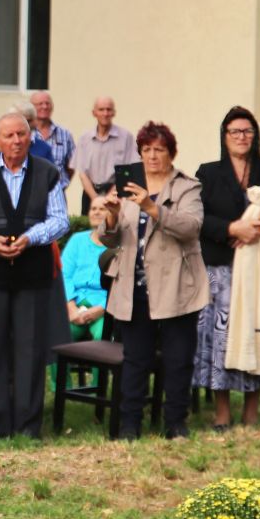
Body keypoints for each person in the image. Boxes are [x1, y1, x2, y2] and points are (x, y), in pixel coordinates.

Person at [0, 110, 70, 439]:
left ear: (31, 137)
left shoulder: (48, 172)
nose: (17, 140)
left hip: (33, 274)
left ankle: (27, 424)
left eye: (22, 134)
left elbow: (60, 219)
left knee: (30, 348)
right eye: (9, 135)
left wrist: (31, 238)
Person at [95, 122, 206, 440]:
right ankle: (130, 424)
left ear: (172, 153)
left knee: (178, 359)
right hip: (134, 285)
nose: (153, 155)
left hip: (176, 287)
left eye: (160, 149)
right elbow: (109, 239)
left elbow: (190, 228)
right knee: (135, 359)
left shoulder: (187, 186)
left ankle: (175, 423)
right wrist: (113, 214)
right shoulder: (127, 183)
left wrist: (150, 207)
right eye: (147, 150)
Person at [193, 107, 260, 429]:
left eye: (247, 131)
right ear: (224, 136)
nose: (241, 137)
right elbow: (198, 217)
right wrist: (232, 229)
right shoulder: (208, 172)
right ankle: (222, 410)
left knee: (258, 331)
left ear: (255, 135)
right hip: (222, 267)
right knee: (221, 336)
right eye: (234, 131)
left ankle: (252, 410)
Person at [75, 96, 137, 216]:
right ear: (94, 113)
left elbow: (127, 171)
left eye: (109, 110)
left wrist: (110, 196)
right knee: (89, 231)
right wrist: (95, 198)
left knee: (116, 230)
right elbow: (82, 173)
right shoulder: (85, 139)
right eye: (101, 109)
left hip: (117, 193)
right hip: (90, 194)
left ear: (114, 112)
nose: (105, 113)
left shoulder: (125, 137)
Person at [60, 207, 109, 341]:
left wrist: (103, 308)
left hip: (103, 305)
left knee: (104, 336)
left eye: (102, 209)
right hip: (75, 300)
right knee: (57, 334)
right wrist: (70, 307)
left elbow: (123, 286)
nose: (96, 212)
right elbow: (64, 275)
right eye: (93, 208)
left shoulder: (121, 244)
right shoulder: (77, 240)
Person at [30, 90, 75, 180]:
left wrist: (62, 185)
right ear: (31, 107)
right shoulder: (26, 133)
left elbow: (71, 166)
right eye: (40, 104)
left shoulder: (65, 134)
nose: (45, 106)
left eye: (48, 103)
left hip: (58, 190)